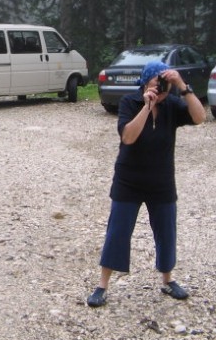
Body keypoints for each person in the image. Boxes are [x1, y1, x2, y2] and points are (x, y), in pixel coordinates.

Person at [87, 61, 206, 307]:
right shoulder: (129, 102)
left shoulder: (172, 105)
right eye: (156, 84)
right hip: (128, 179)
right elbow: (128, 137)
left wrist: (182, 86)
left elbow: (200, 117)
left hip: (161, 180)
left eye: (165, 85)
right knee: (118, 231)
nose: (161, 89)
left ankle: (167, 280)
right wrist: (146, 106)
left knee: (165, 231)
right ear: (145, 82)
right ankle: (102, 285)